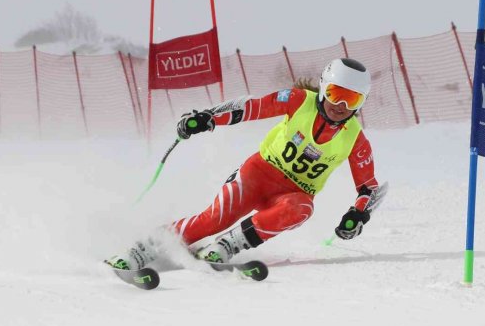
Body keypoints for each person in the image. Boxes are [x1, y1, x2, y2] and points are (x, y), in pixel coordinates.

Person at [106, 57, 381, 270]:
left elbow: (368, 188)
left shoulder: (355, 139)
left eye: (352, 99)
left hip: (292, 195)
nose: (341, 104)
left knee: (303, 209)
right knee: (214, 219)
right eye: (335, 93)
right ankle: (143, 248)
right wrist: (209, 118)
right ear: (323, 88)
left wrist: (357, 216)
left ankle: (227, 246)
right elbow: (252, 107)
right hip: (258, 174)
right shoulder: (299, 101)